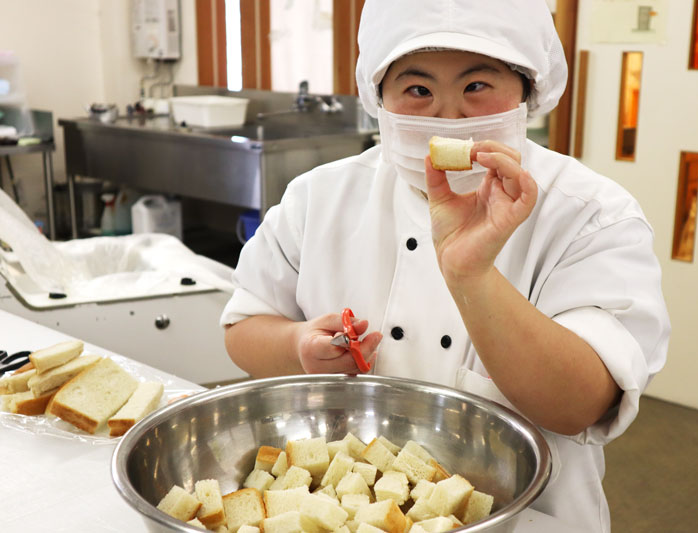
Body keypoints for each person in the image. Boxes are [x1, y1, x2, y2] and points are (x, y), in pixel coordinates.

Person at [220, 0, 670, 531]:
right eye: (418, 89)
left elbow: (579, 406)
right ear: (378, 97)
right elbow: (243, 329)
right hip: (344, 514)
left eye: (477, 86)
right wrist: (297, 346)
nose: (447, 118)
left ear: (528, 91)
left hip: (526, 517)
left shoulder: (590, 214)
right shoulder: (319, 197)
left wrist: (471, 275)